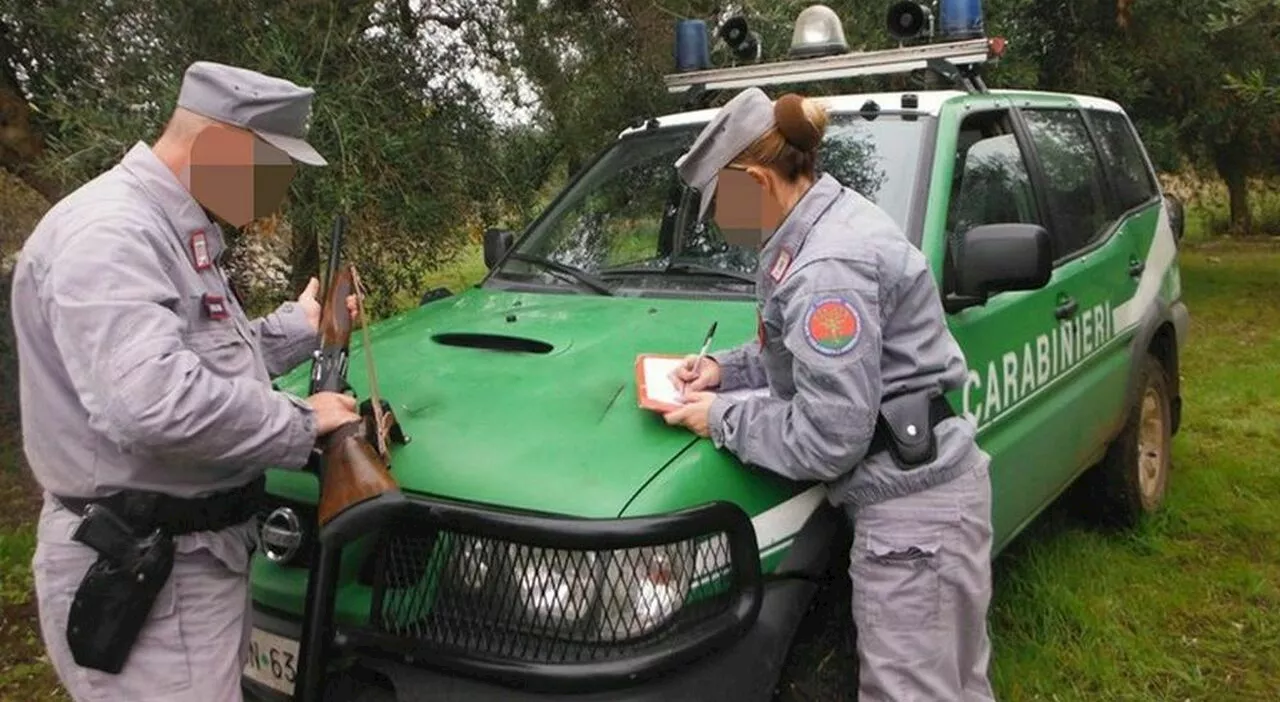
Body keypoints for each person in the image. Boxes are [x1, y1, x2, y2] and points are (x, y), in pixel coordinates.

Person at [11, 61, 364, 701]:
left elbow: (198, 358)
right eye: (272, 169)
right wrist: (304, 422)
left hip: (185, 565)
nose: (276, 193)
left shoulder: (169, 228)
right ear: (222, 148)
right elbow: (152, 404)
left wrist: (304, 326)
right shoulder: (113, 235)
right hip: (148, 572)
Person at [662, 87, 997, 701]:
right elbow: (796, 352)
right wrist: (725, 371)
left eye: (721, 206)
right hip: (935, 496)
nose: (718, 224)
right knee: (955, 684)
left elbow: (829, 438)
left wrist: (721, 418)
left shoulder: (825, 265)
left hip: (911, 516)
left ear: (758, 182)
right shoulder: (823, 220)